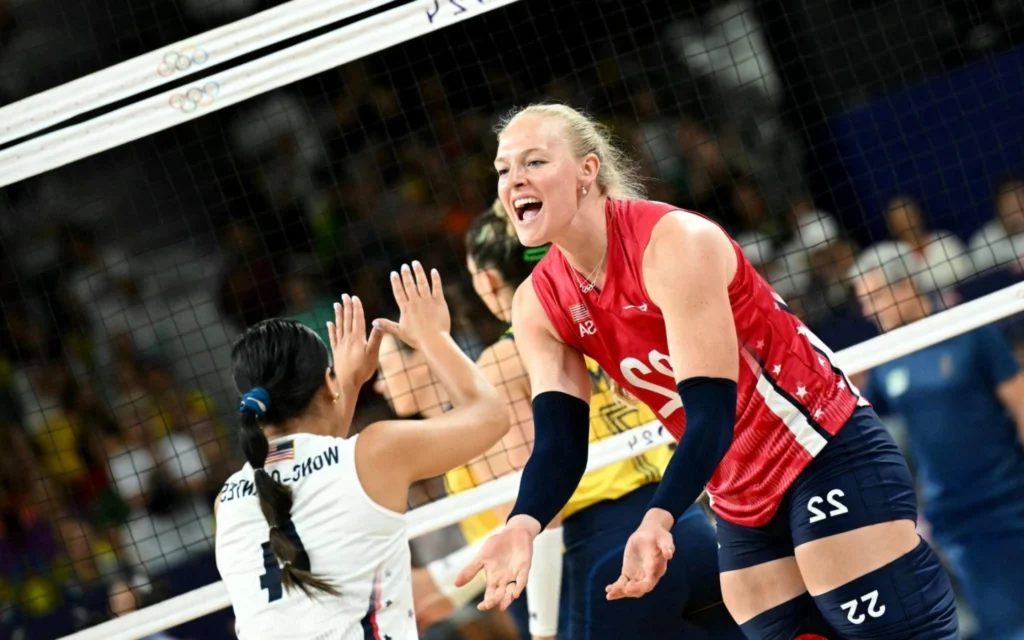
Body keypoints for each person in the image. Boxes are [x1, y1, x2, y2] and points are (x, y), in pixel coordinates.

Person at [454, 103, 960, 640]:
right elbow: (559, 445)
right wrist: (523, 524)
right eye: (504, 169)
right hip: (736, 490)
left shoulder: (673, 243)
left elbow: (712, 416)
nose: (515, 180)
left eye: (534, 162)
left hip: (819, 449)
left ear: (587, 171)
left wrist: (659, 517)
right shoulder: (538, 302)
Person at [377, 202, 741, 639]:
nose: (379, 384)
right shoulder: (600, 322)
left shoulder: (506, 362)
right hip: (686, 525)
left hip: (606, 557)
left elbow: (539, 519)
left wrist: (543, 630)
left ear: (487, 282)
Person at [215, 263, 510, 640]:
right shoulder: (375, 452)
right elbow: (491, 417)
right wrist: (432, 336)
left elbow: (314, 464)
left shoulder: (227, 500)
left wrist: (347, 385)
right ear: (326, 382)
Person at [851, 244, 1024, 640]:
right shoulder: (887, 356)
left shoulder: (971, 331)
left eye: (874, 296)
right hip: (957, 523)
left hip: (1011, 500)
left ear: (905, 285)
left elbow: (1020, 404)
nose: (868, 310)